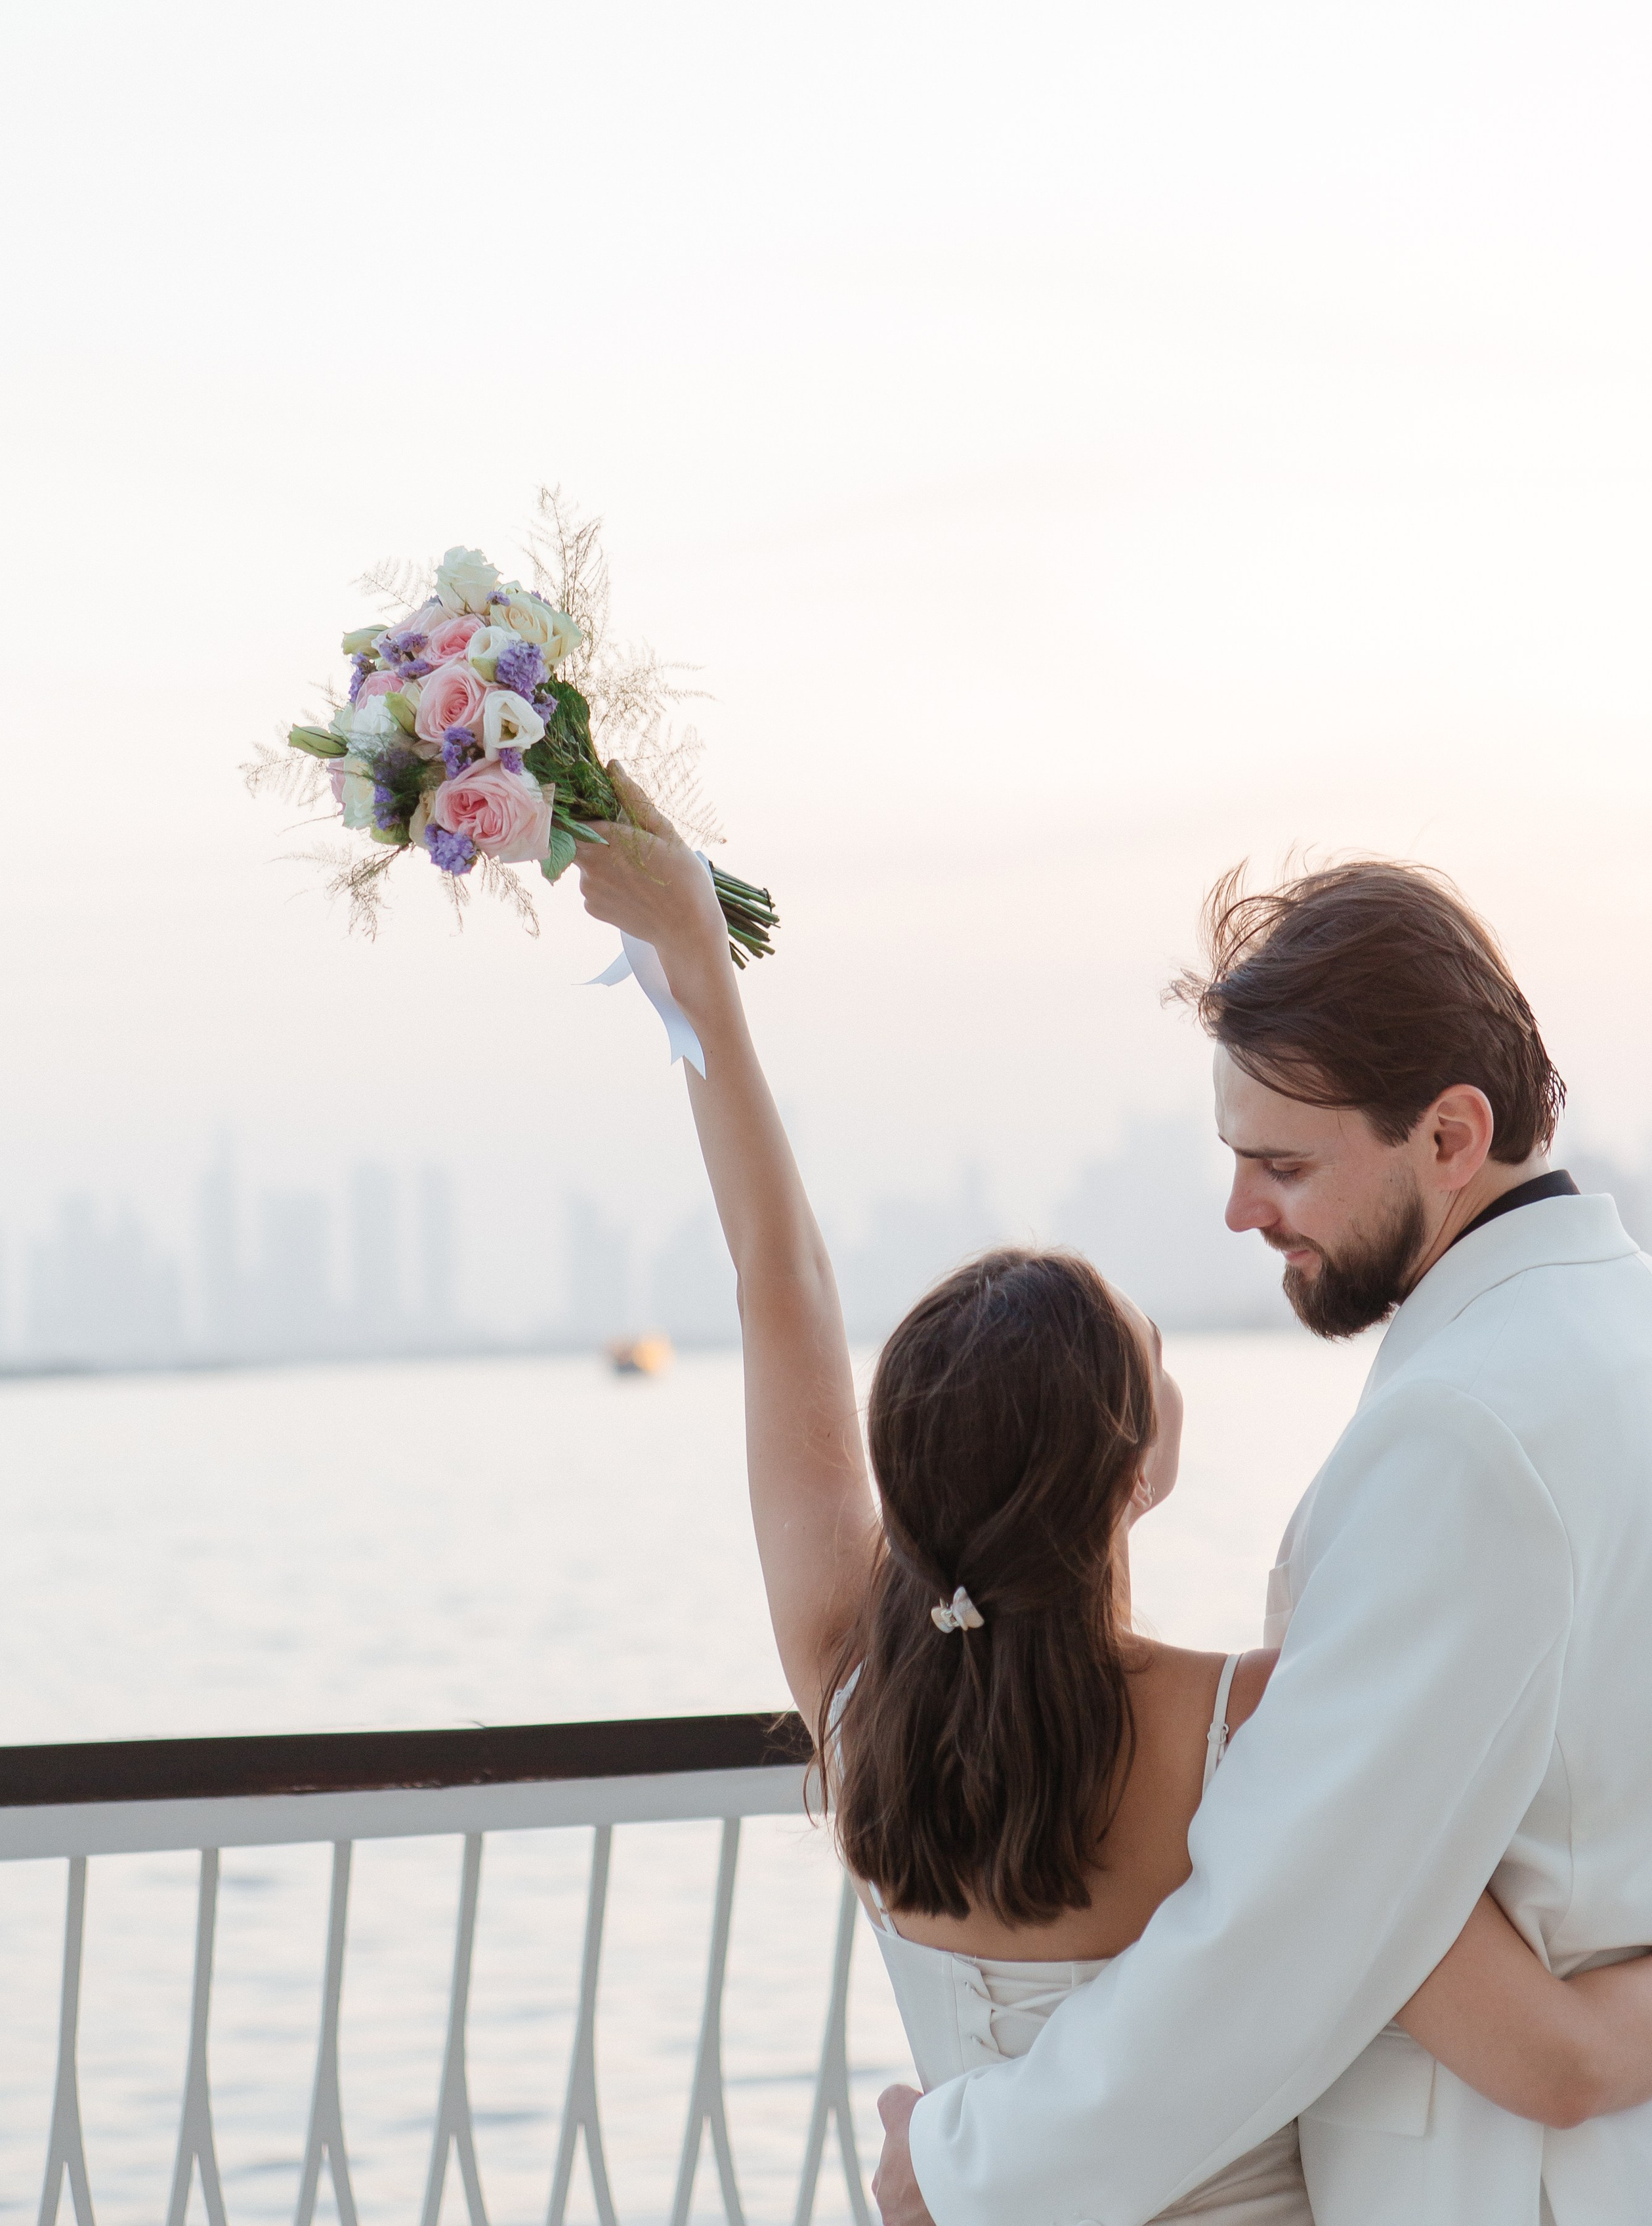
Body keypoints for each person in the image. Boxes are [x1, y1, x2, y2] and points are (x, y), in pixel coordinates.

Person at [575, 802, 1652, 2225]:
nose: (1235, 1211)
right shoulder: (1232, 1726)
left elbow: (779, 1288)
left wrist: (697, 968)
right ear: (1133, 1467)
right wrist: (1583, 2048)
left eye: (1277, 1164)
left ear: (1451, 1133)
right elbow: (1383, 1947)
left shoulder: (854, 1692)